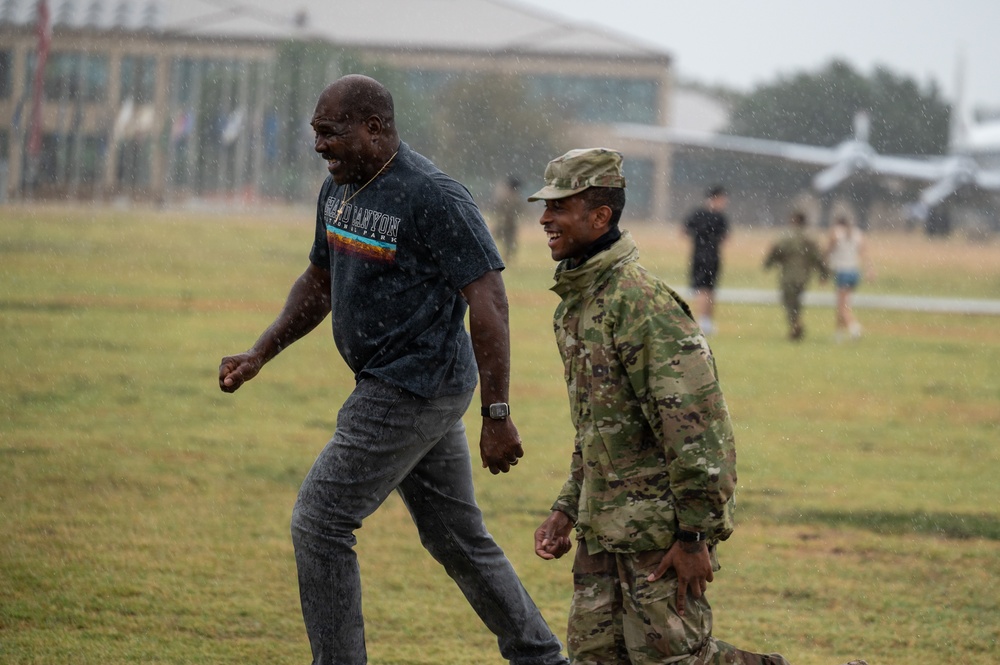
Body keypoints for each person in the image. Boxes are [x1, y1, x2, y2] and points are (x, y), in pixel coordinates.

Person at [219, 74, 569, 665]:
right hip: (393, 380)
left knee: (320, 523)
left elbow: (489, 302)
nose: (319, 146)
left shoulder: (434, 196)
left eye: (329, 133)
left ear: (374, 128)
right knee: (457, 538)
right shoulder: (340, 188)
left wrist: (498, 414)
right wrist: (260, 352)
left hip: (413, 384)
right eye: (315, 133)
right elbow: (320, 280)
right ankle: (542, 658)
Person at [529, 148, 867, 665]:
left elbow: (698, 433)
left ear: (599, 218)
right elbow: (598, 428)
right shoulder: (579, 304)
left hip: (657, 534)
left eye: (559, 207)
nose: (545, 218)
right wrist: (567, 507)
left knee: (679, 661)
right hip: (603, 531)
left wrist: (692, 536)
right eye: (546, 206)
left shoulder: (640, 304)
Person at [763, 211, 829, 341]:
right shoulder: (810, 239)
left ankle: (795, 324)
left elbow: (775, 252)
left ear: (794, 221)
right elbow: (818, 258)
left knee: (789, 301)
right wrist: (824, 273)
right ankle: (795, 324)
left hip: (788, 276)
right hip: (803, 276)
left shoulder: (786, 238)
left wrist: (768, 264)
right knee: (797, 301)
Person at [683, 185, 729, 335]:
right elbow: (725, 237)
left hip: (699, 255)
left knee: (705, 289)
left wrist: (698, 239)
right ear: (715, 198)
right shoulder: (720, 217)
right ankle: (704, 321)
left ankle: (705, 321)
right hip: (711, 256)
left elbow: (684, 230)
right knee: (706, 289)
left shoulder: (697, 214)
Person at [825, 216, 868, 341]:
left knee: (842, 307)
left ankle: (855, 328)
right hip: (854, 272)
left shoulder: (836, 233)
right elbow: (864, 252)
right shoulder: (857, 234)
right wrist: (869, 270)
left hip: (842, 271)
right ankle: (839, 335)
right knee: (844, 304)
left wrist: (824, 268)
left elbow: (827, 251)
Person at [493, 175, 523, 262]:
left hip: (507, 223)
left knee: (508, 242)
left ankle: (507, 259)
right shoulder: (510, 197)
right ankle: (506, 258)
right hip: (505, 223)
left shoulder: (508, 197)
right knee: (507, 242)